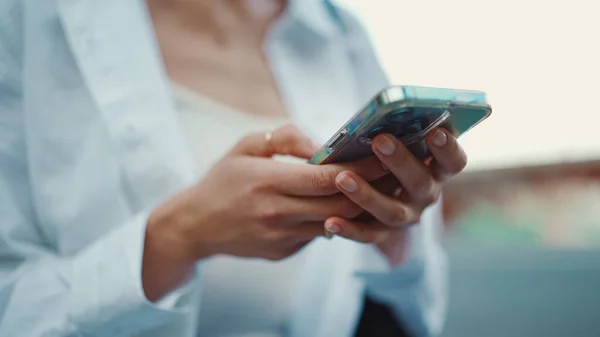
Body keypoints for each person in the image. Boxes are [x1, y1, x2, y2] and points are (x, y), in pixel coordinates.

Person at [0, 0, 467, 336]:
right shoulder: (26, 22)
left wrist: (392, 232)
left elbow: (417, 306)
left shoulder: (341, 33)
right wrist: (177, 236)